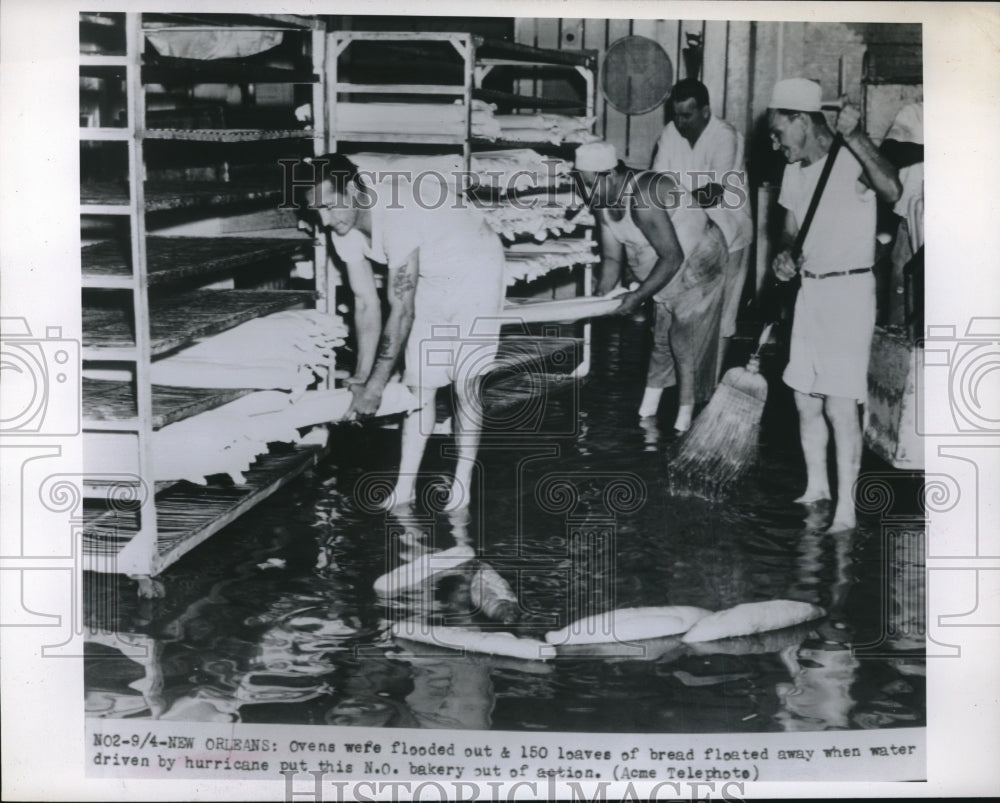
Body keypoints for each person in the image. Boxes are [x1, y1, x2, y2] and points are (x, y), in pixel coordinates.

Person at [305, 154, 506, 511]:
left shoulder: (396, 214)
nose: (324, 219)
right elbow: (366, 303)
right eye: (315, 210)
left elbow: (401, 309)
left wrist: (377, 387)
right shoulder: (342, 225)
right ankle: (406, 487)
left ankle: (462, 483)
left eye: (328, 206)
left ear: (352, 190)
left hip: (477, 265)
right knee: (419, 383)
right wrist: (363, 377)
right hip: (431, 273)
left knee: (465, 381)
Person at [768, 78, 901, 532]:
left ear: (802, 121)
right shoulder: (793, 169)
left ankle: (847, 508)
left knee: (839, 405)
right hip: (810, 291)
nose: (774, 141)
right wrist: (784, 255)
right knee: (805, 398)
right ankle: (816, 487)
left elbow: (893, 190)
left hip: (848, 293)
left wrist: (859, 137)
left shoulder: (850, 159)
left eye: (779, 131)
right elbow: (789, 229)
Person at [575, 140, 729, 432]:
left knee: (683, 338)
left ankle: (685, 419)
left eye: (588, 184)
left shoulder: (643, 195)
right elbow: (611, 260)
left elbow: (673, 257)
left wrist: (637, 296)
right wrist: (597, 301)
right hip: (667, 262)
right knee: (661, 338)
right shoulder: (602, 201)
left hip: (700, 258)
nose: (585, 192)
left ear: (609, 175)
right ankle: (648, 410)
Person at [651, 79, 754, 382]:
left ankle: (710, 387)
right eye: (676, 115)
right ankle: (682, 387)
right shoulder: (670, 134)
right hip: (687, 237)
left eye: (687, 116)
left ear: (706, 112)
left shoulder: (725, 136)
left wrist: (671, 205)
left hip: (729, 234)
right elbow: (657, 185)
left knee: (722, 317)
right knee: (679, 313)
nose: (680, 123)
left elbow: (713, 192)